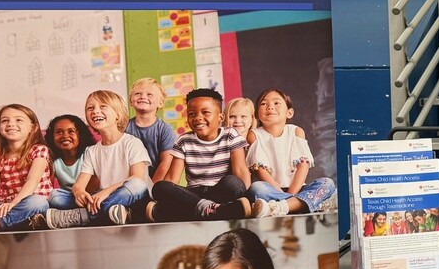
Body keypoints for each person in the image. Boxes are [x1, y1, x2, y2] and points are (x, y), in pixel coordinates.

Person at [38, 91, 151, 228]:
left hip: (132, 196)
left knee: (136, 184)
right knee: (55, 196)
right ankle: (112, 212)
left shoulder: (132, 143)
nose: (95, 111)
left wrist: (106, 192)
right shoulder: (91, 151)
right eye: (90, 108)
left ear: (118, 115)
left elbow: (137, 178)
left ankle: (83, 216)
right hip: (103, 199)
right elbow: (79, 185)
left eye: (103, 106)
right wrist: (80, 193)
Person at [148, 89, 252, 222]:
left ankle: (172, 212)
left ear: (221, 117)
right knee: (160, 187)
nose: (198, 118)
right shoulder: (183, 140)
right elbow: (172, 178)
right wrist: (166, 194)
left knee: (233, 183)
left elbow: (241, 170)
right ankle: (216, 210)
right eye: (192, 114)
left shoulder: (231, 135)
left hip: (220, 191)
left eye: (205, 112)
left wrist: (247, 197)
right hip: (193, 194)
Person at [245, 89, 336, 218]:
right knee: (257, 188)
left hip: (297, 189)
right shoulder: (254, 135)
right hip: (271, 191)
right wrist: (288, 197)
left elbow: (303, 166)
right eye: (263, 104)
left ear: (289, 113)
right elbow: (260, 170)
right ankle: (302, 205)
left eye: (276, 103)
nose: (270, 107)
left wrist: (292, 193)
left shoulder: (296, 131)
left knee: (327, 183)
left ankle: (283, 206)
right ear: (257, 115)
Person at [0, 104, 53, 231]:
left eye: (18, 120)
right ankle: (12, 220)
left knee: (37, 203)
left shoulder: (39, 150)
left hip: (28, 204)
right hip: (5, 205)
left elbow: (32, 181)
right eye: (5, 121)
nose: (11, 124)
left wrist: (14, 203)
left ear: (33, 128)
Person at [125, 78, 177, 181]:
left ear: (160, 103)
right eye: (138, 94)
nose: (143, 97)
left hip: (157, 181)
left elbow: (165, 163)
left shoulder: (165, 129)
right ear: (131, 101)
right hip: (131, 180)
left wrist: (151, 187)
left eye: (149, 94)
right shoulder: (124, 127)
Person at [44, 115, 97, 209]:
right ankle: (82, 211)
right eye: (59, 132)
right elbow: (48, 186)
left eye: (71, 131)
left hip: (91, 195)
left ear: (80, 135)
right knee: (54, 196)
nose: (65, 136)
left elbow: (96, 182)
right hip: (68, 198)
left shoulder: (89, 152)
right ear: (52, 136)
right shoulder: (52, 158)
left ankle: (83, 209)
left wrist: (81, 196)